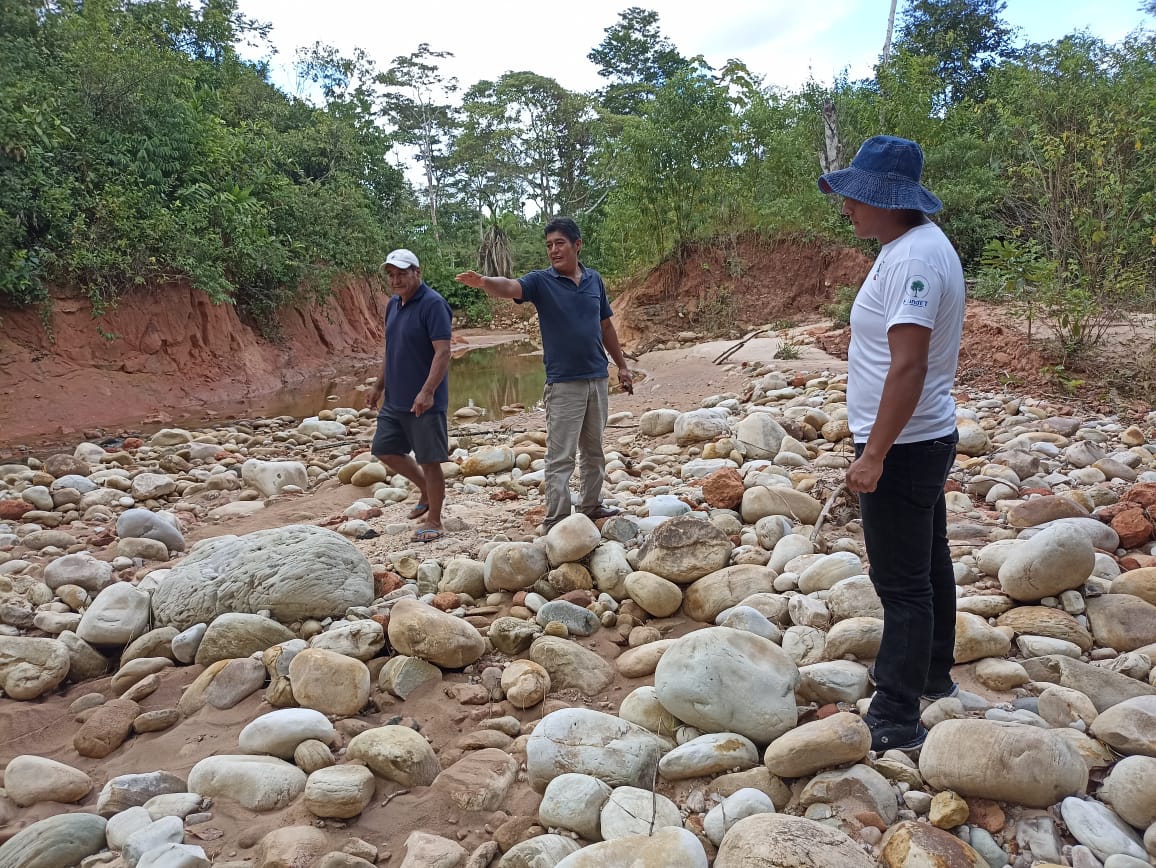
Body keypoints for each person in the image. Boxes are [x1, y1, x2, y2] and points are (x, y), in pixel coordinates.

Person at [818, 136, 966, 751]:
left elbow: (908, 365)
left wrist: (873, 454)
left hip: (904, 444)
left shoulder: (913, 261)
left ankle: (896, 716)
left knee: (901, 584)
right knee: (929, 563)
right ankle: (932, 673)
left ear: (889, 200)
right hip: (921, 436)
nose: (847, 207)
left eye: (856, 196)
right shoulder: (909, 247)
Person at [455, 217, 632, 531]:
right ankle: (558, 520)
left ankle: (592, 506)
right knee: (560, 456)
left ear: (577, 245)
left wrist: (623, 365)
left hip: (597, 378)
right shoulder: (541, 281)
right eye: (549, 245)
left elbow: (606, 326)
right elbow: (511, 286)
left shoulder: (595, 280)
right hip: (564, 384)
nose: (553, 250)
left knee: (594, 451)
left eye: (559, 243)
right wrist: (484, 281)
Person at [366, 248, 452, 542]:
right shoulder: (393, 305)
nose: (396, 280)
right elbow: (392, 350)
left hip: (425, 401)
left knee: (430, 460)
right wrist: (379, 385)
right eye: (391, 275)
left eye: (402, 274)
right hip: (396, 399)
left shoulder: (434, 304)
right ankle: (426, 491)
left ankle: (435, 521)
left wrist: (427, 391)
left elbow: (443, 352)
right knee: (384, 448)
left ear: (418, 272)